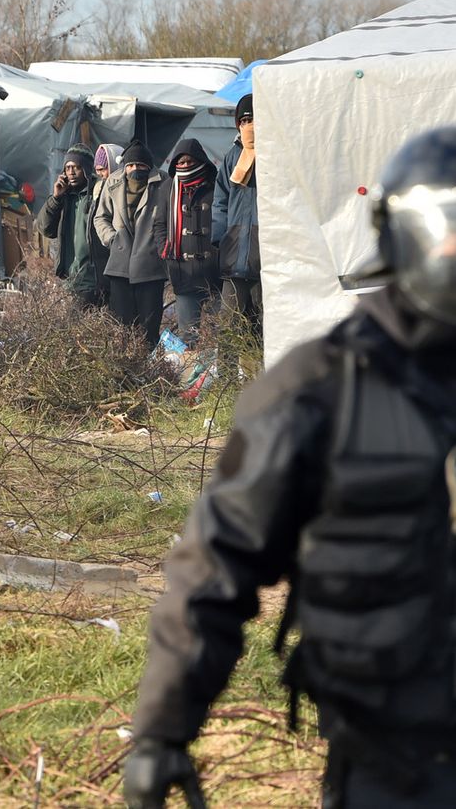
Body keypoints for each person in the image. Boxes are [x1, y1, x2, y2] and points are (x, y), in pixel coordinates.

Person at [124, 125, 456, 809]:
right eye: (445, 222)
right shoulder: (320, 390)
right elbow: (215, 566)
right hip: (396, 759)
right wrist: (162, 734)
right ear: (401, 233)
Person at [94, 141, 169, 347]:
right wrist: (111, 238)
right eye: (130, 165)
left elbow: (171, 219)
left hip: (151, 268)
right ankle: (124, 374)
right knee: (121, 330)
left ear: (149, 166)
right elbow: (101, 217)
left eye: (140, 165)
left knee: (148, 331)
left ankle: (148, 374)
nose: (135, 169)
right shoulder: (113, 182)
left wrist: (161, 244)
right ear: (124, 166)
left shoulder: (163, 182)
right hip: (120, 266)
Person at [154, 140, 219, 346]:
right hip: (184, 273)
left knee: (221, 336)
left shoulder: (215, 184)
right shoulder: (168, 188)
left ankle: (222, 377)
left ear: (200, 161)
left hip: (216, 274)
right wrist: (164, 250)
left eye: (189, 161)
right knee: (189, 338)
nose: (184, 166)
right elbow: (159, 224)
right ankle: (191, 377)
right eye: (179, 162)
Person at [214, 94, 262, 340]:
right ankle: (226, 378)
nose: (248, 125)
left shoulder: (275, 154)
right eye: (243, 120)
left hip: (266, 259)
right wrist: (220, 238)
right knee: (229, 329)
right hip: (234, 258)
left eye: (252, 119)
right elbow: (220, 201)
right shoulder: (232, 157)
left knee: (263, 331)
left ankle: (263, 377)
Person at [38, 144, 100, 306]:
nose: (71, 172)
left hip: (92, 278)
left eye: (77, 167)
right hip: (69, 278)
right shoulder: (63, 196)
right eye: (67, 168)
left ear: (87, 169)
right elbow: (45, 229)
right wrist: (56, 199)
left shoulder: (97, 193)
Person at [90, 143, 125, 295]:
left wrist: (115, 241)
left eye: (103, 169)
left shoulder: (125, 189)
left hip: (119, 256)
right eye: (98, 170)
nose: (101, 174)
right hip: (101, 257)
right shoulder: (97, 189)